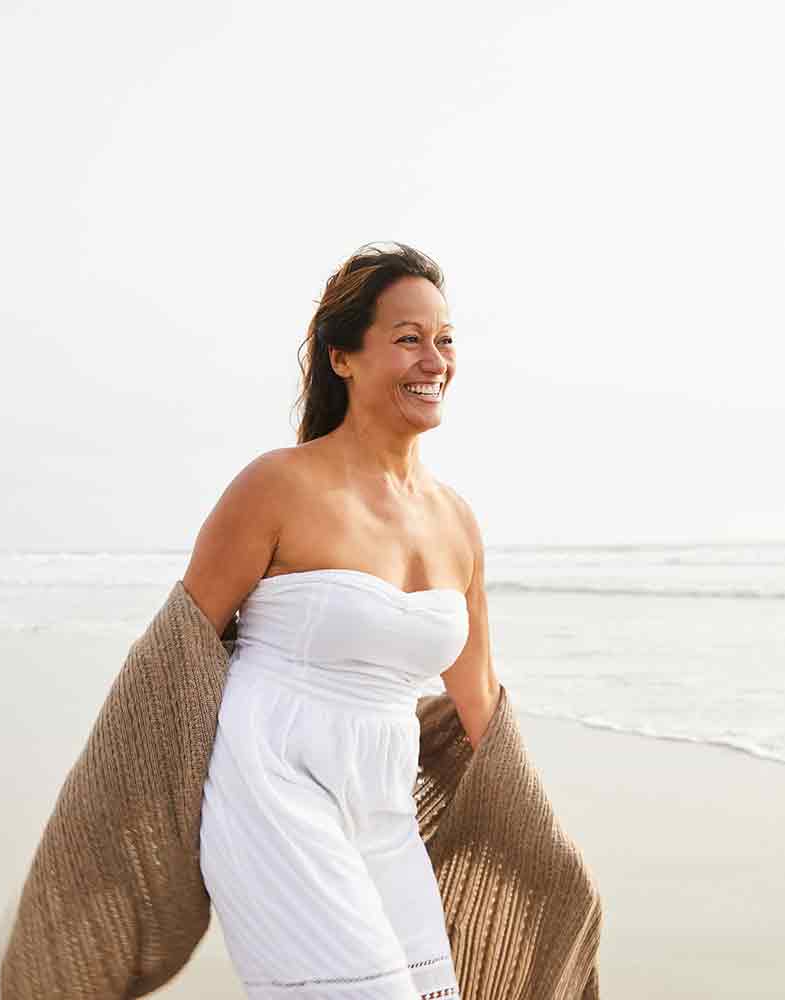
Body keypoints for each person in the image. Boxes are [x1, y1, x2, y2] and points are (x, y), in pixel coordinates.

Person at [181, 241, 499, 1000]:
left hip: (383, 802)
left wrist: (537, 835)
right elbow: (180, 654)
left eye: (445, 339)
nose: (435, 360)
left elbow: (478, 698)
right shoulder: (275, 486)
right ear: (343, 359)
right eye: (408, 338)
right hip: (271, 783)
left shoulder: (457, 519)